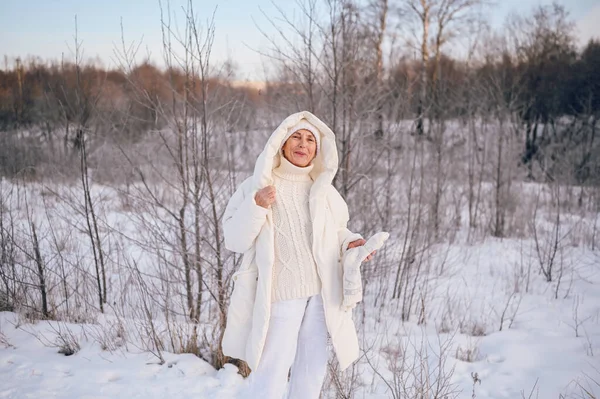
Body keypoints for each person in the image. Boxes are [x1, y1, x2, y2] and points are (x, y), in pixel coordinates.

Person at [221, 111, 375, 399]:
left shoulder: (323, 190)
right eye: (296, 137)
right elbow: (234, 239)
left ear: (318, 149)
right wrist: (256, 205)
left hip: (320, 296)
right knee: (271, 371)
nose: (302, 144)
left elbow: (337, 231)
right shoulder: (259, 184)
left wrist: (351, 243)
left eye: (309, 140)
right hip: (281, 295)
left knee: (311, 371)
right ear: (282, 143)